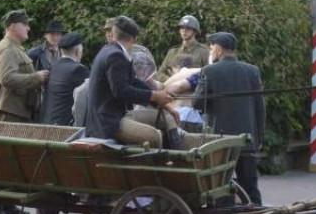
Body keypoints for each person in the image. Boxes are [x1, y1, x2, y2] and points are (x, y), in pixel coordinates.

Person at [194, 31, 271, 214]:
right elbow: (260, 108)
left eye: (211, 48)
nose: (211, 51)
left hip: (221, 144)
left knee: (224, 187)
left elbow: (197, 104)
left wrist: (207, 69)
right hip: (246, 140)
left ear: (217, 49)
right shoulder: (251, 71)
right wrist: (258, 137)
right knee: (251, 186)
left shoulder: (210, 71)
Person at [0, 10, 48, 214]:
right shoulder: (7, 49)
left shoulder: (15, 49)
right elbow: (7, 78)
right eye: (25, 24)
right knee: (1, 160)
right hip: (7, 112)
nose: (28, 28)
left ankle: (7, 204)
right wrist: (36, 78)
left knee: (11, 160)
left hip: (17, 111)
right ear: (13, 26)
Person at [84, 15, 176, 147]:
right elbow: (121, 91)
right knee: (154, 137)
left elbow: (133, 82)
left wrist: (162, 102)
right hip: (108, 122)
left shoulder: (110, 51)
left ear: (113, 33)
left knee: (167, 118)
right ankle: (161, 165)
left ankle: (179, 160)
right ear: (134, 39)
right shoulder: (116, 56)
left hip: (115, 116)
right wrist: (155, 96)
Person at [41, 33, 90, 126]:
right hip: (65, 127)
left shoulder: (52, 67)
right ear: (77, 51)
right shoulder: (78, 70)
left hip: (47, 123)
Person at [156, 15, 210, 81]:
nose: (184, 31)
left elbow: (208, 75)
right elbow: (160, 74)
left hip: (194, 89)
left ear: (195, 31)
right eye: (182, 28)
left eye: (188, 28)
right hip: (172, 88)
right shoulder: (172, 52)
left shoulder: (204, 52)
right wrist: (172, 79)